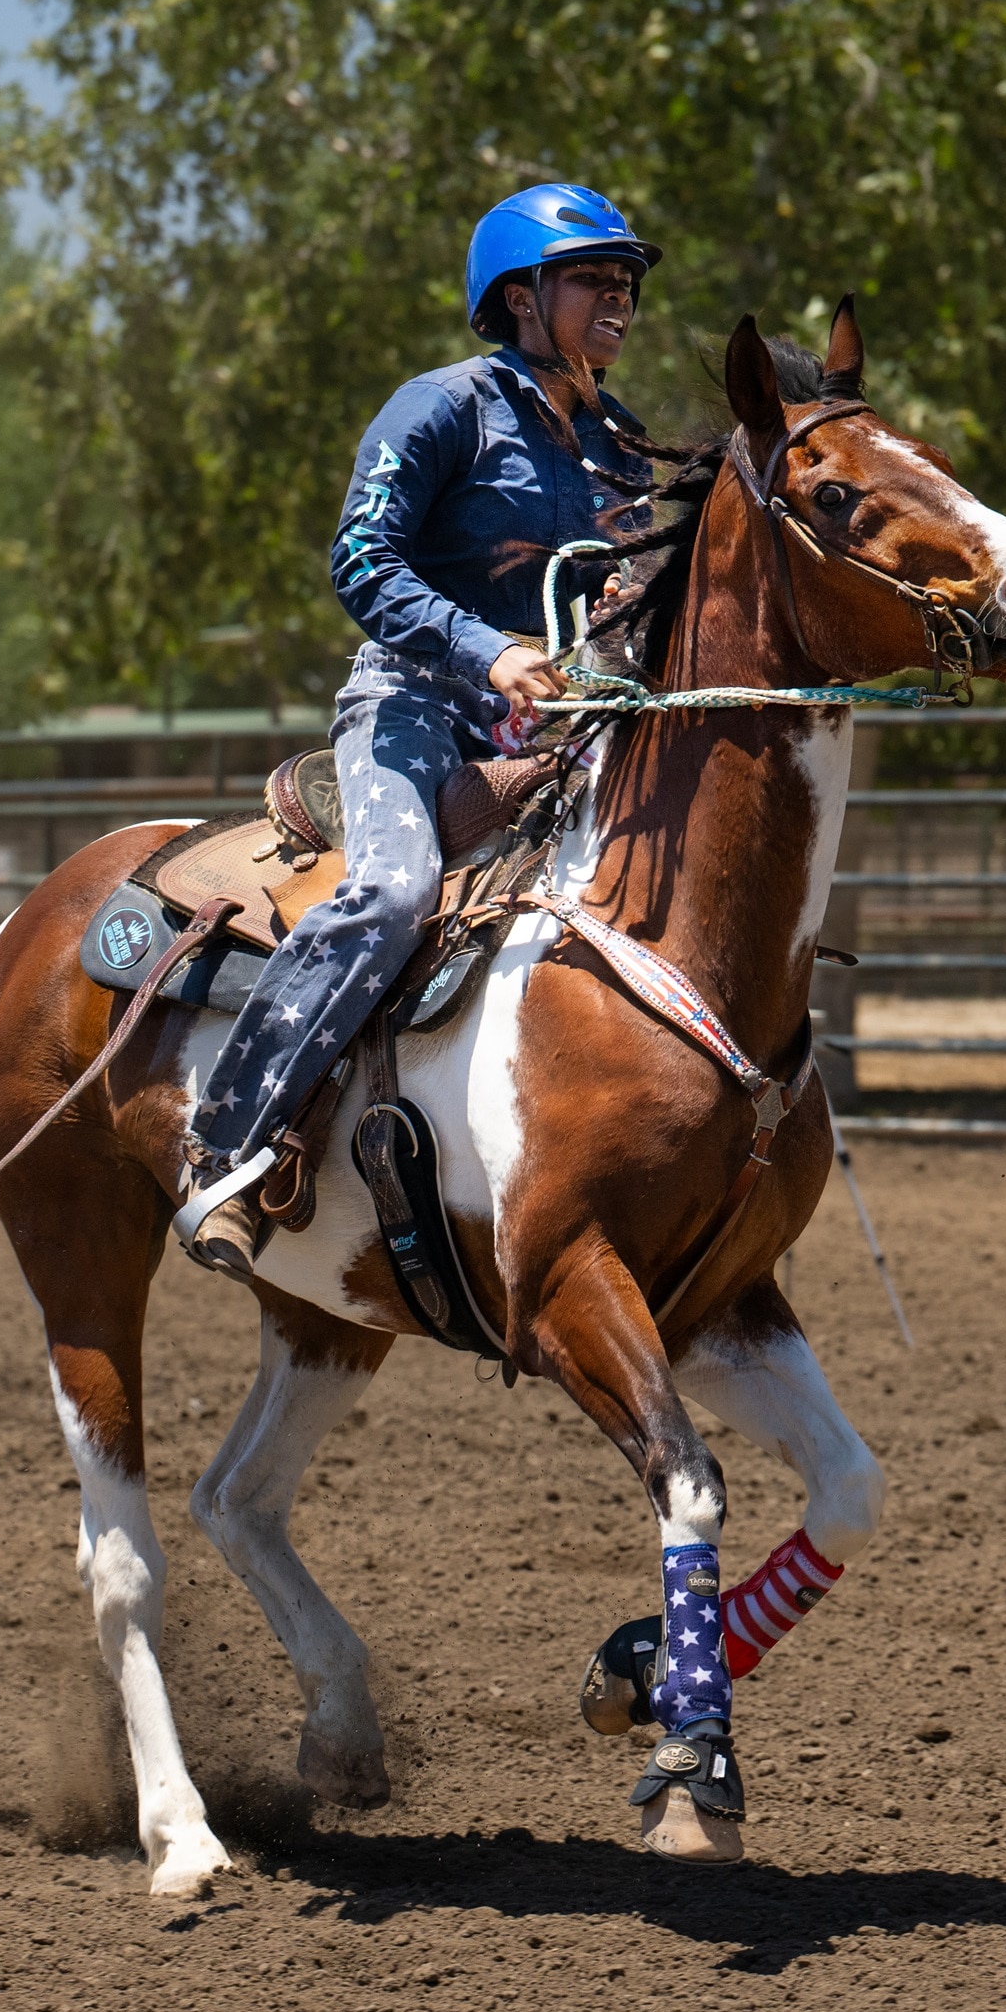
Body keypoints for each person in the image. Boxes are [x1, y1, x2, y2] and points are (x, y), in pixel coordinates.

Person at [174, 182, 662, 1279]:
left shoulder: (625, 445)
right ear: (521, 298)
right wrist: (486, 650)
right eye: (594, 278)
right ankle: (231, 1145)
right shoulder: (442, 405)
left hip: (563, 725)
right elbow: (361, 557)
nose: (619, 300)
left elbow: (629, 588)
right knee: (392, 893)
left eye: (627, 283)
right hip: (414, 704)